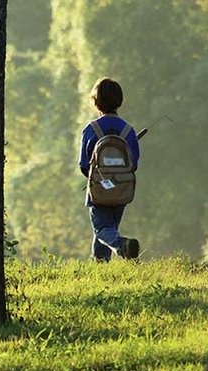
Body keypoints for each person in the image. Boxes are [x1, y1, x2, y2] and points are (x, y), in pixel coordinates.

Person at [78, 77, 140, 261]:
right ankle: (100, 265)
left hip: (98, 189)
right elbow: (134, 164)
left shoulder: (91, 129)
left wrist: (98, 179)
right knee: (109, 228)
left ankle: (123, 246)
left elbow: (83, 164)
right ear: (119, 101)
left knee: (102, 229)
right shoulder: (128, 130)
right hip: (122, 189)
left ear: (96, 103)